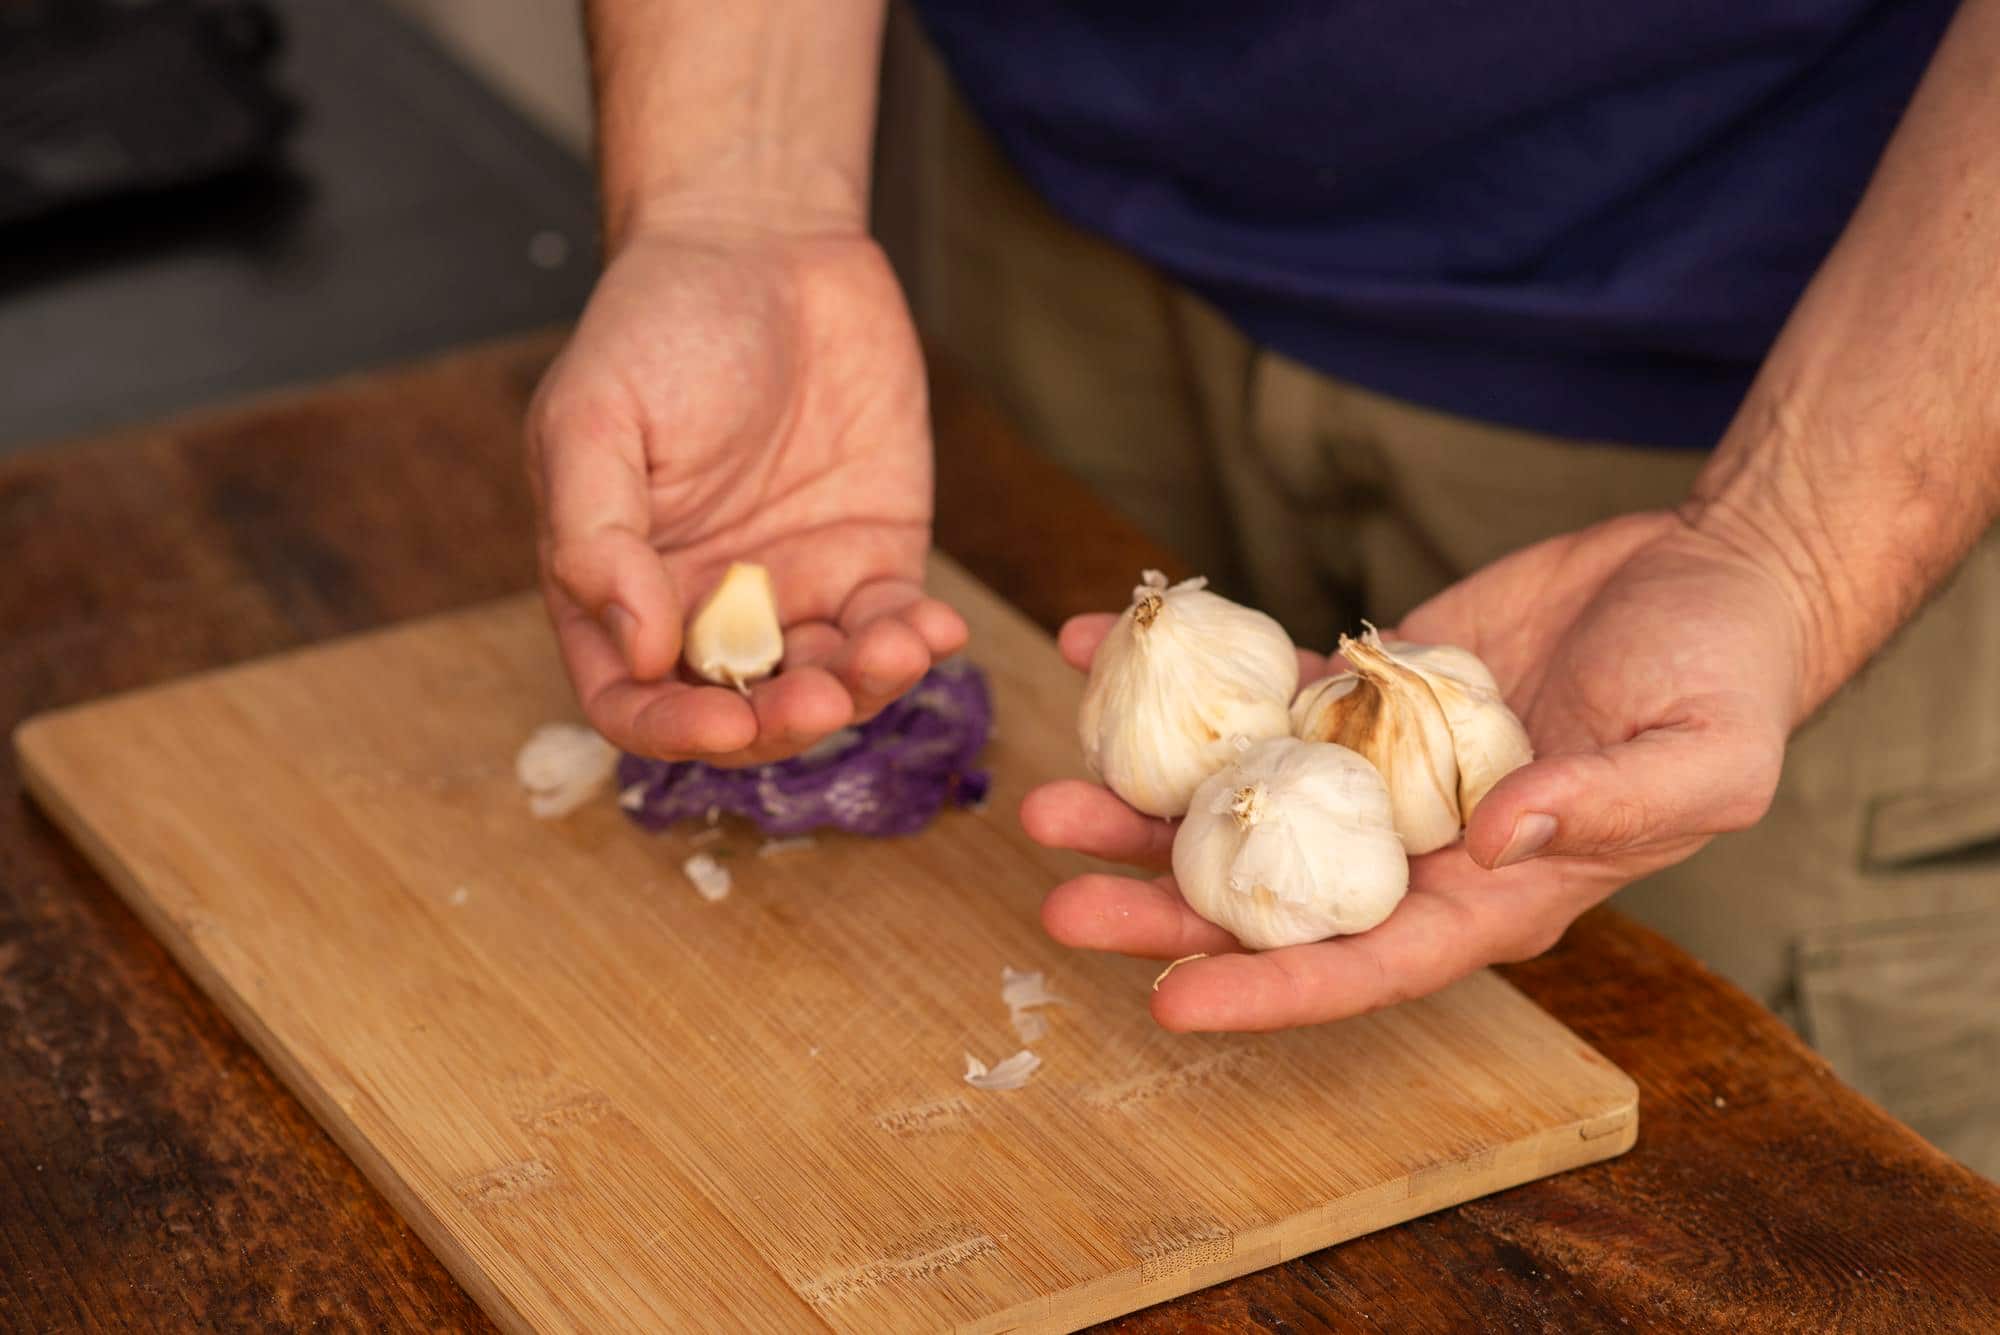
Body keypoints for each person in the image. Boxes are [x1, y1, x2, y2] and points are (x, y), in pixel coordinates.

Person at [527, 1, 2000, 1174]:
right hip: (1060, 207)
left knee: (1758, 1152)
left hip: (1829, 346)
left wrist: (1792, 540)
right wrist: (739, 200)